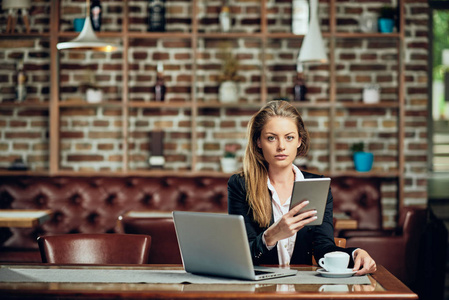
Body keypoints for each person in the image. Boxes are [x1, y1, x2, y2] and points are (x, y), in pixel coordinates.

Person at [227, 100, 377, 276]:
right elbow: (242, 256)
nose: (281, 146)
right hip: (260, 287)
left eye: (289, 137)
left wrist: (356, 253)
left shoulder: (317, 186)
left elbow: (323, 248)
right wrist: (271, 236)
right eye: (271, 138)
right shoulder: (240, 185)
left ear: (299, 141)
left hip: (303, 287)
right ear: (258, 141)